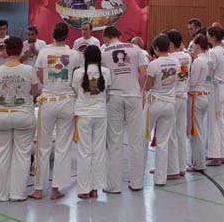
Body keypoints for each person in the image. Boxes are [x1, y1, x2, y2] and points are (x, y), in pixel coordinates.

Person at [32, 22, 82, 200]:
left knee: (43, 145)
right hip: (68, 101)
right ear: (67, 36)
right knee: (63, 147)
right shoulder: (74, 54)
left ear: (52, 34)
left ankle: (38, 189)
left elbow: (40, 76)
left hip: (48, 101)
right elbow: (76, 78)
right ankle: (56, 189)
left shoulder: (43, 52)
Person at [0, 36, 39, 202]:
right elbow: (34, 92)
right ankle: (17, 193)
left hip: (1, 115)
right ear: (22, 49)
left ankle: (1, 194)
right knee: (22, 155)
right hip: (24, 115)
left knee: (0, 155)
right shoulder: (29, 70)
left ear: (5, 51)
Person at [98, 26, 148, 193]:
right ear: (119, 35)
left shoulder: (104, 52)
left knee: (114, 142)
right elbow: (144, 74)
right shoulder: (135, 49)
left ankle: (113, 185)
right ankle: (137, 182)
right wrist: (136, 89)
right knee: (136, 140)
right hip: (134, 96)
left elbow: (102, 78)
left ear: (105, 38)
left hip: (114, 96)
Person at [71, 44, 110, 199]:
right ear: (99, 57)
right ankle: (96, 189)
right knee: (99, 152)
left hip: (83, 114)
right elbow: (107, 90)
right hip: (100, 113)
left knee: (84, 152)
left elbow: (75, 90)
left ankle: (84, 189)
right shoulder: (106, 72)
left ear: (85, 57)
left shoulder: (78, 73)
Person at [143, 34, 180, 186]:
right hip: (170, 103)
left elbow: (147, 86)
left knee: (144, 138)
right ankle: (160, 179)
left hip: (155, 102)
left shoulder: (154, 64)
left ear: (156, 48)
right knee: (163, 142)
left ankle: (138, 177)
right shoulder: (176, 62)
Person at [166, 30, 191, 180]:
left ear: (170, 44)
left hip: (173, 97)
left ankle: (172, 168)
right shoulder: (187, 56)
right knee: (181, 133)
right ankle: (182, 166)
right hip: (183, 95)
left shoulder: (170, 58)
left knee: (171, 134)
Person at [187, 34, 212, 172]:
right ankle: (197, 161)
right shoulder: (209, 59)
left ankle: (199, 163)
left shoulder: (198, 61)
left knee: (195, 132)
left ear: (197, 46)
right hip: (205, 94)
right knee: (199, 130)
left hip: (196, 96)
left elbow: (193, 81)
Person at [205, 26, 224, 166]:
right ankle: (223, 153)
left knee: (213, 121)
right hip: (221, 86)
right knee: (219, 121)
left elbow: (209, 71)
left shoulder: (213, 52)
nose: (207, 38)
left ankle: (215, 156)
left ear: (213, 37)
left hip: (215, 86)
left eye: (209, 36)